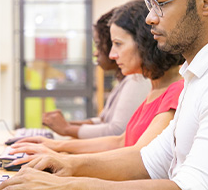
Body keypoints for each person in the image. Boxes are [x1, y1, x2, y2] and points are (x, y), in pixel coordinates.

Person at [0, 0, 208, 189]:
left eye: (161, 3)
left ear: (207, 2)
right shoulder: (199, 78)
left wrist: (68, 184)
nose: (150, 19)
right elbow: (147, 160)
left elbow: (194, 188)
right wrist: (66, 165)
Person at [13, 0, 184, 156]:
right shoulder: (154, 89)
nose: (111, 54)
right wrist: (55, 146)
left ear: (144, 43)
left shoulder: (172, 91)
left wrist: (64, 161)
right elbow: (120, 141)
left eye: (118, 44)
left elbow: (137, 160)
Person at [41, 9, 151, 139]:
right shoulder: (127, 79)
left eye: (118, 44)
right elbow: (105, 121)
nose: (96, 53)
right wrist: (66, 125)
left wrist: (67, 129)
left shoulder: (138, 80)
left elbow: (117, 131)